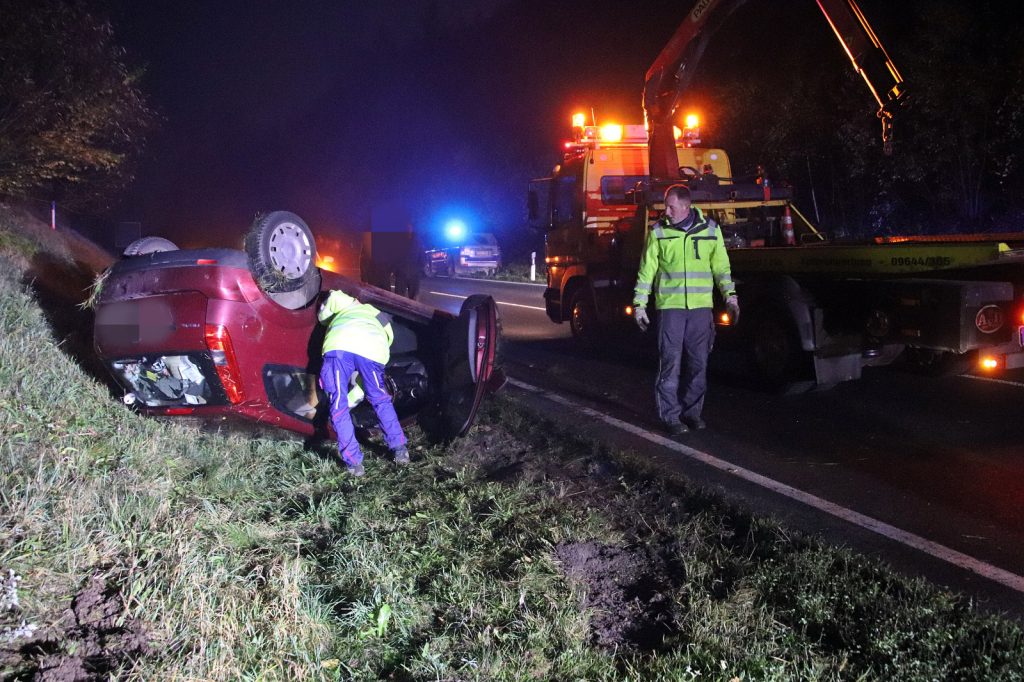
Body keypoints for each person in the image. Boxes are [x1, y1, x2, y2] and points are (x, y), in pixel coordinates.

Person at [633, 184, 739, 436]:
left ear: (685, 205)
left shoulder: (711, 231)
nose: (665, 210)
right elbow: (646, 271)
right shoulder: (658, 233)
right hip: (671, 310)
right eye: (665, 205)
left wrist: (731, 298)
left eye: (670, 205)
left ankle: (692, 413)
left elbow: (722, 269)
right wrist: (639, 304)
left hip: (701, 309)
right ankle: (670, 417)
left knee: (698, 364)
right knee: (670, 364)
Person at [318, 290, 409, 476]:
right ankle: (400, 450)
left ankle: (354, 464)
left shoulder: (341, 300)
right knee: (380, 400)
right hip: (372, 349)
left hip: (339, 346)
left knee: (338, 406)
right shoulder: (376, 313)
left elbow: (323, 316)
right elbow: (389, 337)